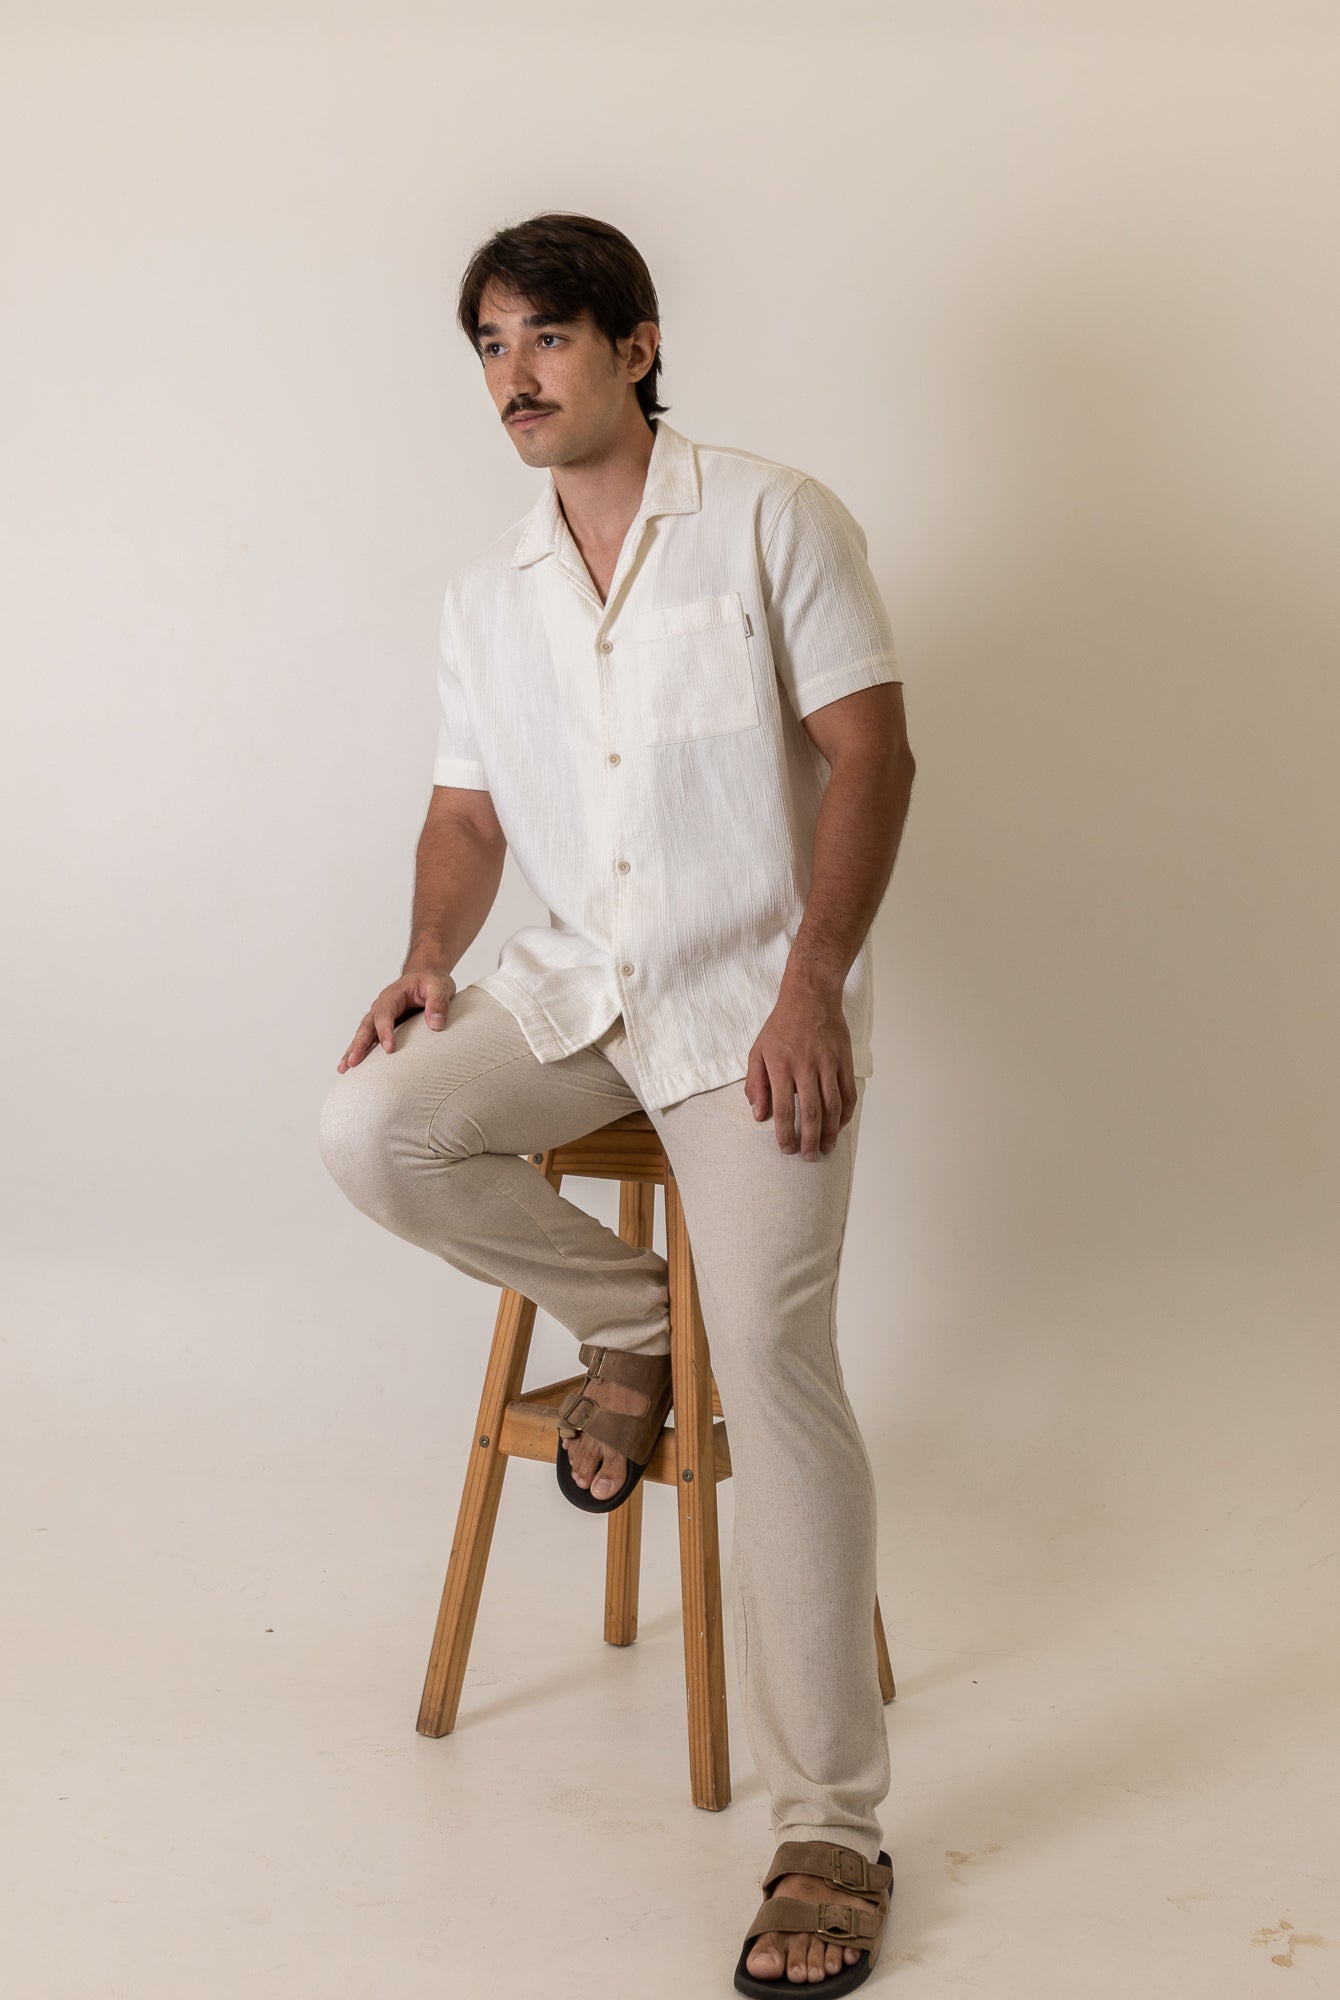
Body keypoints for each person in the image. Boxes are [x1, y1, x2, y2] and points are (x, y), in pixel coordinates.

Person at [318, 211, 916, 1992]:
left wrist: (812, 985)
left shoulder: (771, 519)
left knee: (786, 1366)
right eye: (490, 345)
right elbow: (470, 813)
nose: (515, 373)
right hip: (579, 989)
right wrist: (433, 955)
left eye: (548, 338)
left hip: (750, 1010)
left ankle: (835, 1826)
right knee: (376, 1125)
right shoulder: (483, 590)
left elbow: (873, 754)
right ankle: (640, 1323)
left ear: (637, 344)